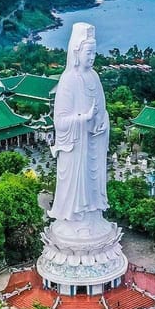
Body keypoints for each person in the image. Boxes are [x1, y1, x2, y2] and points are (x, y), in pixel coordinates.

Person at [49, 22, 109, 222]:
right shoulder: (68, 80)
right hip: (75, 146)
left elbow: (102, 109)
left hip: (92, 141)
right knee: (74, 186)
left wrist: (101, 122)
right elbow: (59, 121)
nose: (92, 58)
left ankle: (92, 212)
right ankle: (73, 217)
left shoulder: (94, 77)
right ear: (76, 52)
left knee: (93, 183)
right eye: (88, 53)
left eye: (94, 53)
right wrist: (83, 119)